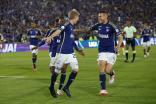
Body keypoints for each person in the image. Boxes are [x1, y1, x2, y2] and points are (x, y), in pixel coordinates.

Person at [46, 9, 81, 98]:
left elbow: (71, 40)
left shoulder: (72, 27)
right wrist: (50, 36)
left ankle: (66, 87)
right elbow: (58, 31)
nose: (78, 19)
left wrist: (77, 49)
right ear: (75, 17)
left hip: (70, 53)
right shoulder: (66, 24)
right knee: (56, 72)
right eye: (78, 17)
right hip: (62, 53)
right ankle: (51, 86)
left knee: (75, 70)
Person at [88, 9, 123, 96]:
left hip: (111, 51)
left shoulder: (112, 26)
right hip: (102, 50)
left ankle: (112, 74)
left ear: (106, 16)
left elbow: (120, 37)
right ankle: (103, 90)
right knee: (102, 68)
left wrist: (118, 47)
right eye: (99, 16)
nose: (99, 17)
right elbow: (89, 30)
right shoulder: (97, 25)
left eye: (101, 16)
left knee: (107, 70)